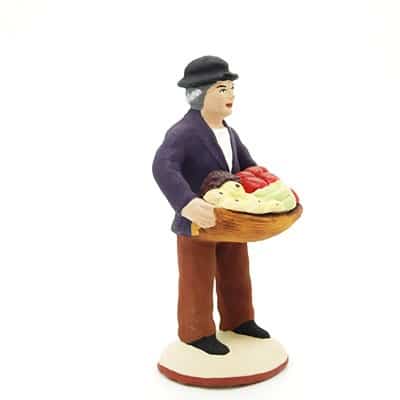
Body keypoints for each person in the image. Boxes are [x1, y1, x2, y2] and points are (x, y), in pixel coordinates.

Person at [152, 56, 270, 355]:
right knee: (197, 278)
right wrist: (186, 202)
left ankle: (239, 319)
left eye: (232, 88)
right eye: (222, 89)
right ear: (198, 94)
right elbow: (163, 166)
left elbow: (247, 166)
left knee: (236, 272)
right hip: (198, 221)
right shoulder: (183, 132)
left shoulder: (228, 132)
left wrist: (268, 187)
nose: (231, 95)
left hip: (232, 219)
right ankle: (196, 332)